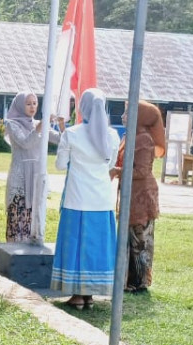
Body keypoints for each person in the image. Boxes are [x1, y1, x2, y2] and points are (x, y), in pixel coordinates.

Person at [50, 88, 120, 309]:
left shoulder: (72, 133)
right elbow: (109, 164)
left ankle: (77, 295)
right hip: (101, 200)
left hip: (77, 199)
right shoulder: (112, 135)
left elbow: (60, 165)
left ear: (83, 107)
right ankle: (90, 294)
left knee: (76, 245)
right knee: (97, 246)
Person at [109, 101, 165, 293]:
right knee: (129, 236)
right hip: (131, 192)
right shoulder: (131, 136)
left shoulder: (143, 139)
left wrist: (118, 171)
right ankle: (128, 279)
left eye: (127, 112)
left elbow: (141, 170)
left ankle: (138, 281)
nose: (123, 116)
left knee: (139, 238)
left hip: (141, 194)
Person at [3, 93, 65, 244]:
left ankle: (32, 247)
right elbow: (25, 143)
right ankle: (14, 250)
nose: (32, 107)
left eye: (35, 103)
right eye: (28, 103)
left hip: (37, 175)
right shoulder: (12, 124)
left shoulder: (38, 124)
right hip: (20, 176)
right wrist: (39, 127)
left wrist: (62, 126)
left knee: (35, 215)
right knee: (18, 214)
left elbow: (61, 140)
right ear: (20, 105)